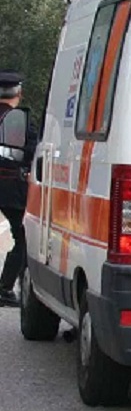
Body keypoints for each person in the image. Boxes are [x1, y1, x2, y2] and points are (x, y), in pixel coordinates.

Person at [0, 71, 35, 307]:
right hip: (11, 187)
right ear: (18, 94)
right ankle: (5, 288)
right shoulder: (18, 121)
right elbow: (33, 151)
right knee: (24, 238)